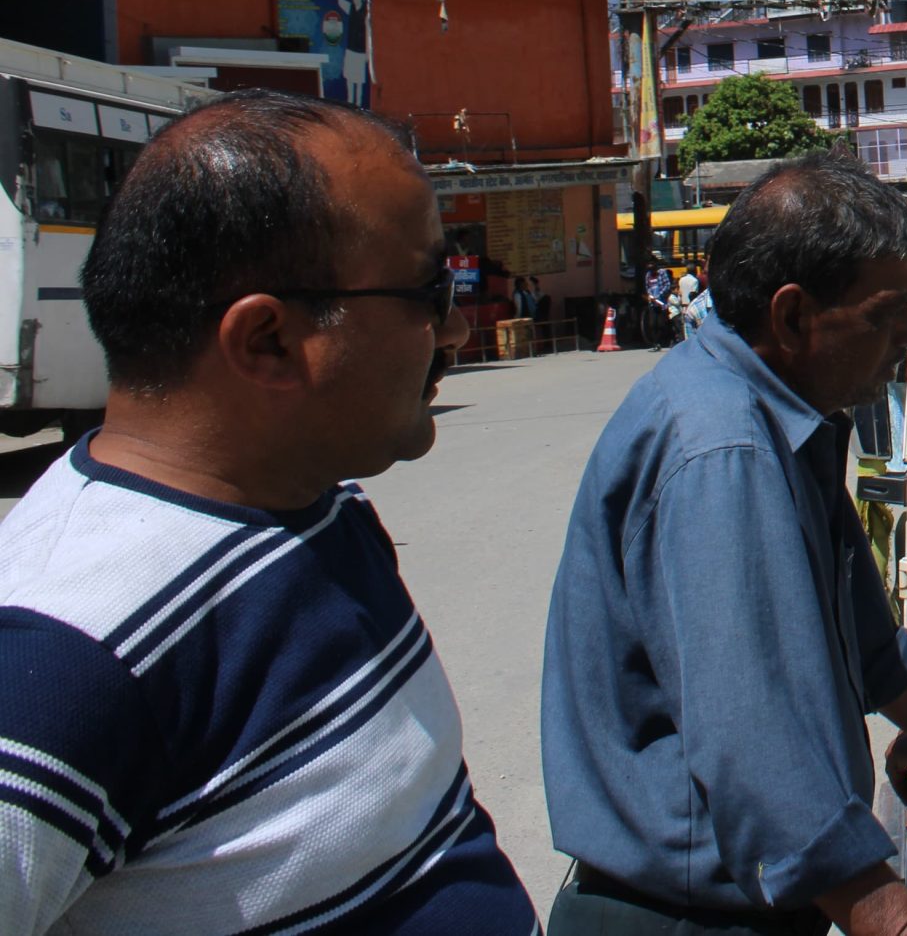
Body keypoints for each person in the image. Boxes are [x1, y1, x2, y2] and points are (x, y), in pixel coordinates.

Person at [0, 91, 536, 933]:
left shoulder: (320, 510)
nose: (458, 331)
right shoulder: (64, 661)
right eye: (430, 292)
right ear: (269, 342)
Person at [542, 149, 907, 936]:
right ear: (791, 318)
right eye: (889, 313)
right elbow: (752, 734)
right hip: (683, 919)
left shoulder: (784, 411)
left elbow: (863, 640)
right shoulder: (724, 446)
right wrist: (900, 923)